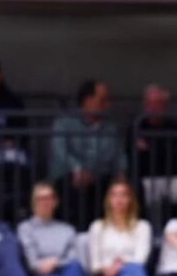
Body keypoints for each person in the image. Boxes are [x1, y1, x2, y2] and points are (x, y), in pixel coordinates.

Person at [50, 79, 127, 229]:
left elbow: (119, 156)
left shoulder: (110, 129)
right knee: (72, 191)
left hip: (100, 178)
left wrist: (121, 174)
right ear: (87, 100)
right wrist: (77, 168)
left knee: (124, 188)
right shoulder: (64, 123)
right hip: (70, 178)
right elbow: (60, 151)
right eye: (102, 100)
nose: (107, 105)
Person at [132, 84, 177, 216]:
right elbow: (135, 157)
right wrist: (160, 151)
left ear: (165, 106)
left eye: (158, 104)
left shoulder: (176, 127)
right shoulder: (137, 126)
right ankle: (152, 232)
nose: (152, 108)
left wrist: (150, 150)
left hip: (172, 178)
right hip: (147, 180)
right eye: (149, 104)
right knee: (139, 190)